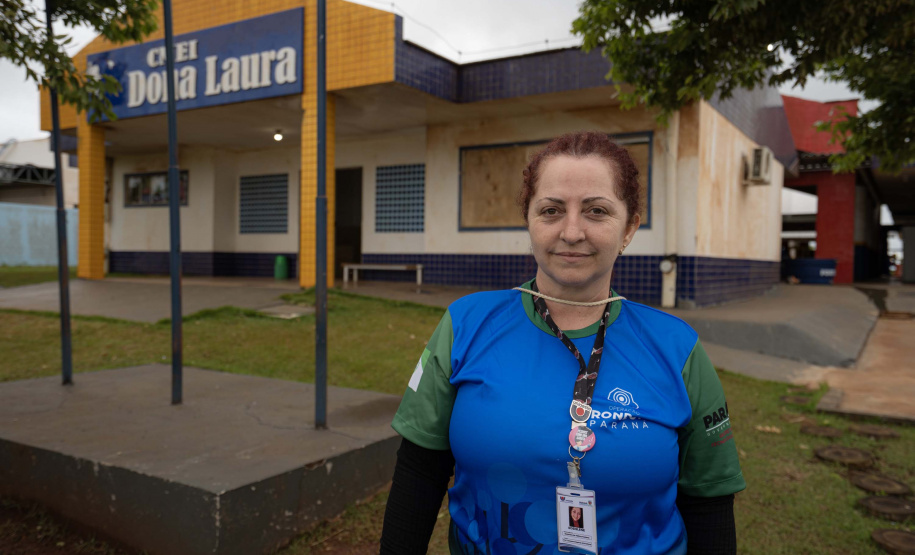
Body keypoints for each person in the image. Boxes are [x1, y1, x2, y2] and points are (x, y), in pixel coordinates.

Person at [380, 131, 745, 555]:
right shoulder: (466, 324)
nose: (572, 232)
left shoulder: (676, 347)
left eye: (596, 211)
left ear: (629, 228)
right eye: (552, 210)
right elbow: (420, 473)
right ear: (529, 221)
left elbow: (709, 504)